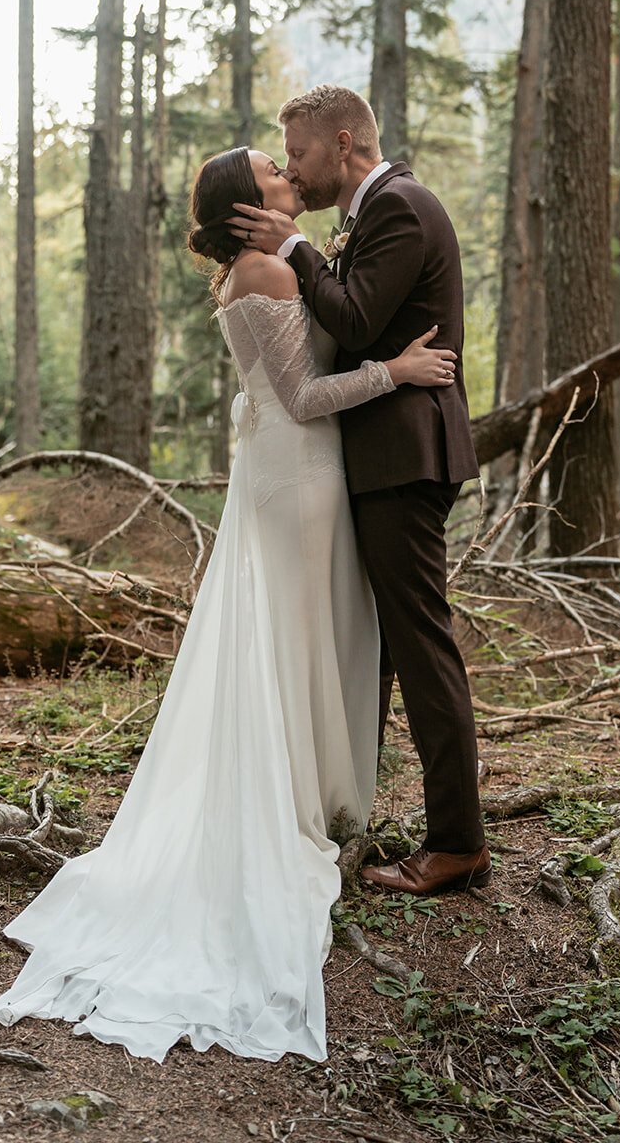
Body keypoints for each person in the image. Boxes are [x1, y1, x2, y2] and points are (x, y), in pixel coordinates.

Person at [0, 144, 457, 1064]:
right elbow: (304, 396)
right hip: (298, 475)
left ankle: (309, 793)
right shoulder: (263, 267)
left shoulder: (269, 260)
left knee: (300, 635)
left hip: (300, 475)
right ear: (246, 202)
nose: (288, 174)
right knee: (291, 635)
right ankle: (290, 805)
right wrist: (398, 373)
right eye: (274, 168)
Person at [230, 86, 489, 898]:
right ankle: (351, 812)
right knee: (375, 648)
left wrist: (302, 250)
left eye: (299, 156)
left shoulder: (401, 209)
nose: (295, 173)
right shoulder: (371, 214)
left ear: (343, 144)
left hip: (404, 456)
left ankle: (457, 843)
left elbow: (355, 313)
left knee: (418, 643)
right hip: (373, 455)